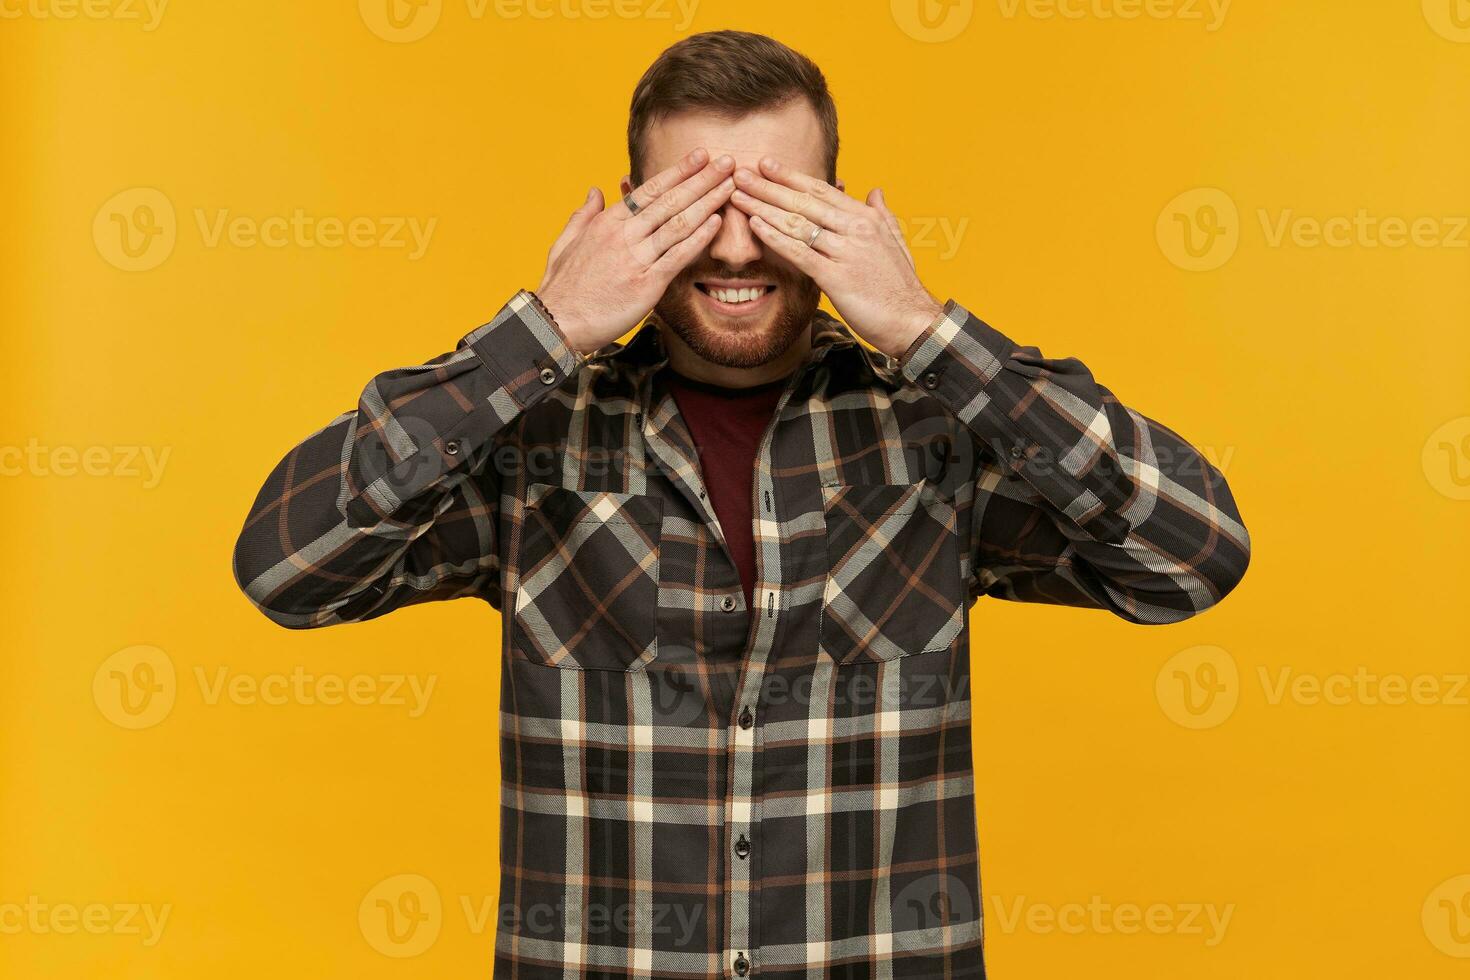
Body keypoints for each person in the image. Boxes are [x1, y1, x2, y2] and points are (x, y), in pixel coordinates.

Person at [232, 30, 1250, 979]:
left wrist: (924, 328)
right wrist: (542, 332)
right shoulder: (530, 438)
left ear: (841, 210)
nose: (734, 248)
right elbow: (288, 565)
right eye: (693, 203)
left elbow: (1192, 554)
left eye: (777, 201)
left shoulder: (933, 432)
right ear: (631, 212)